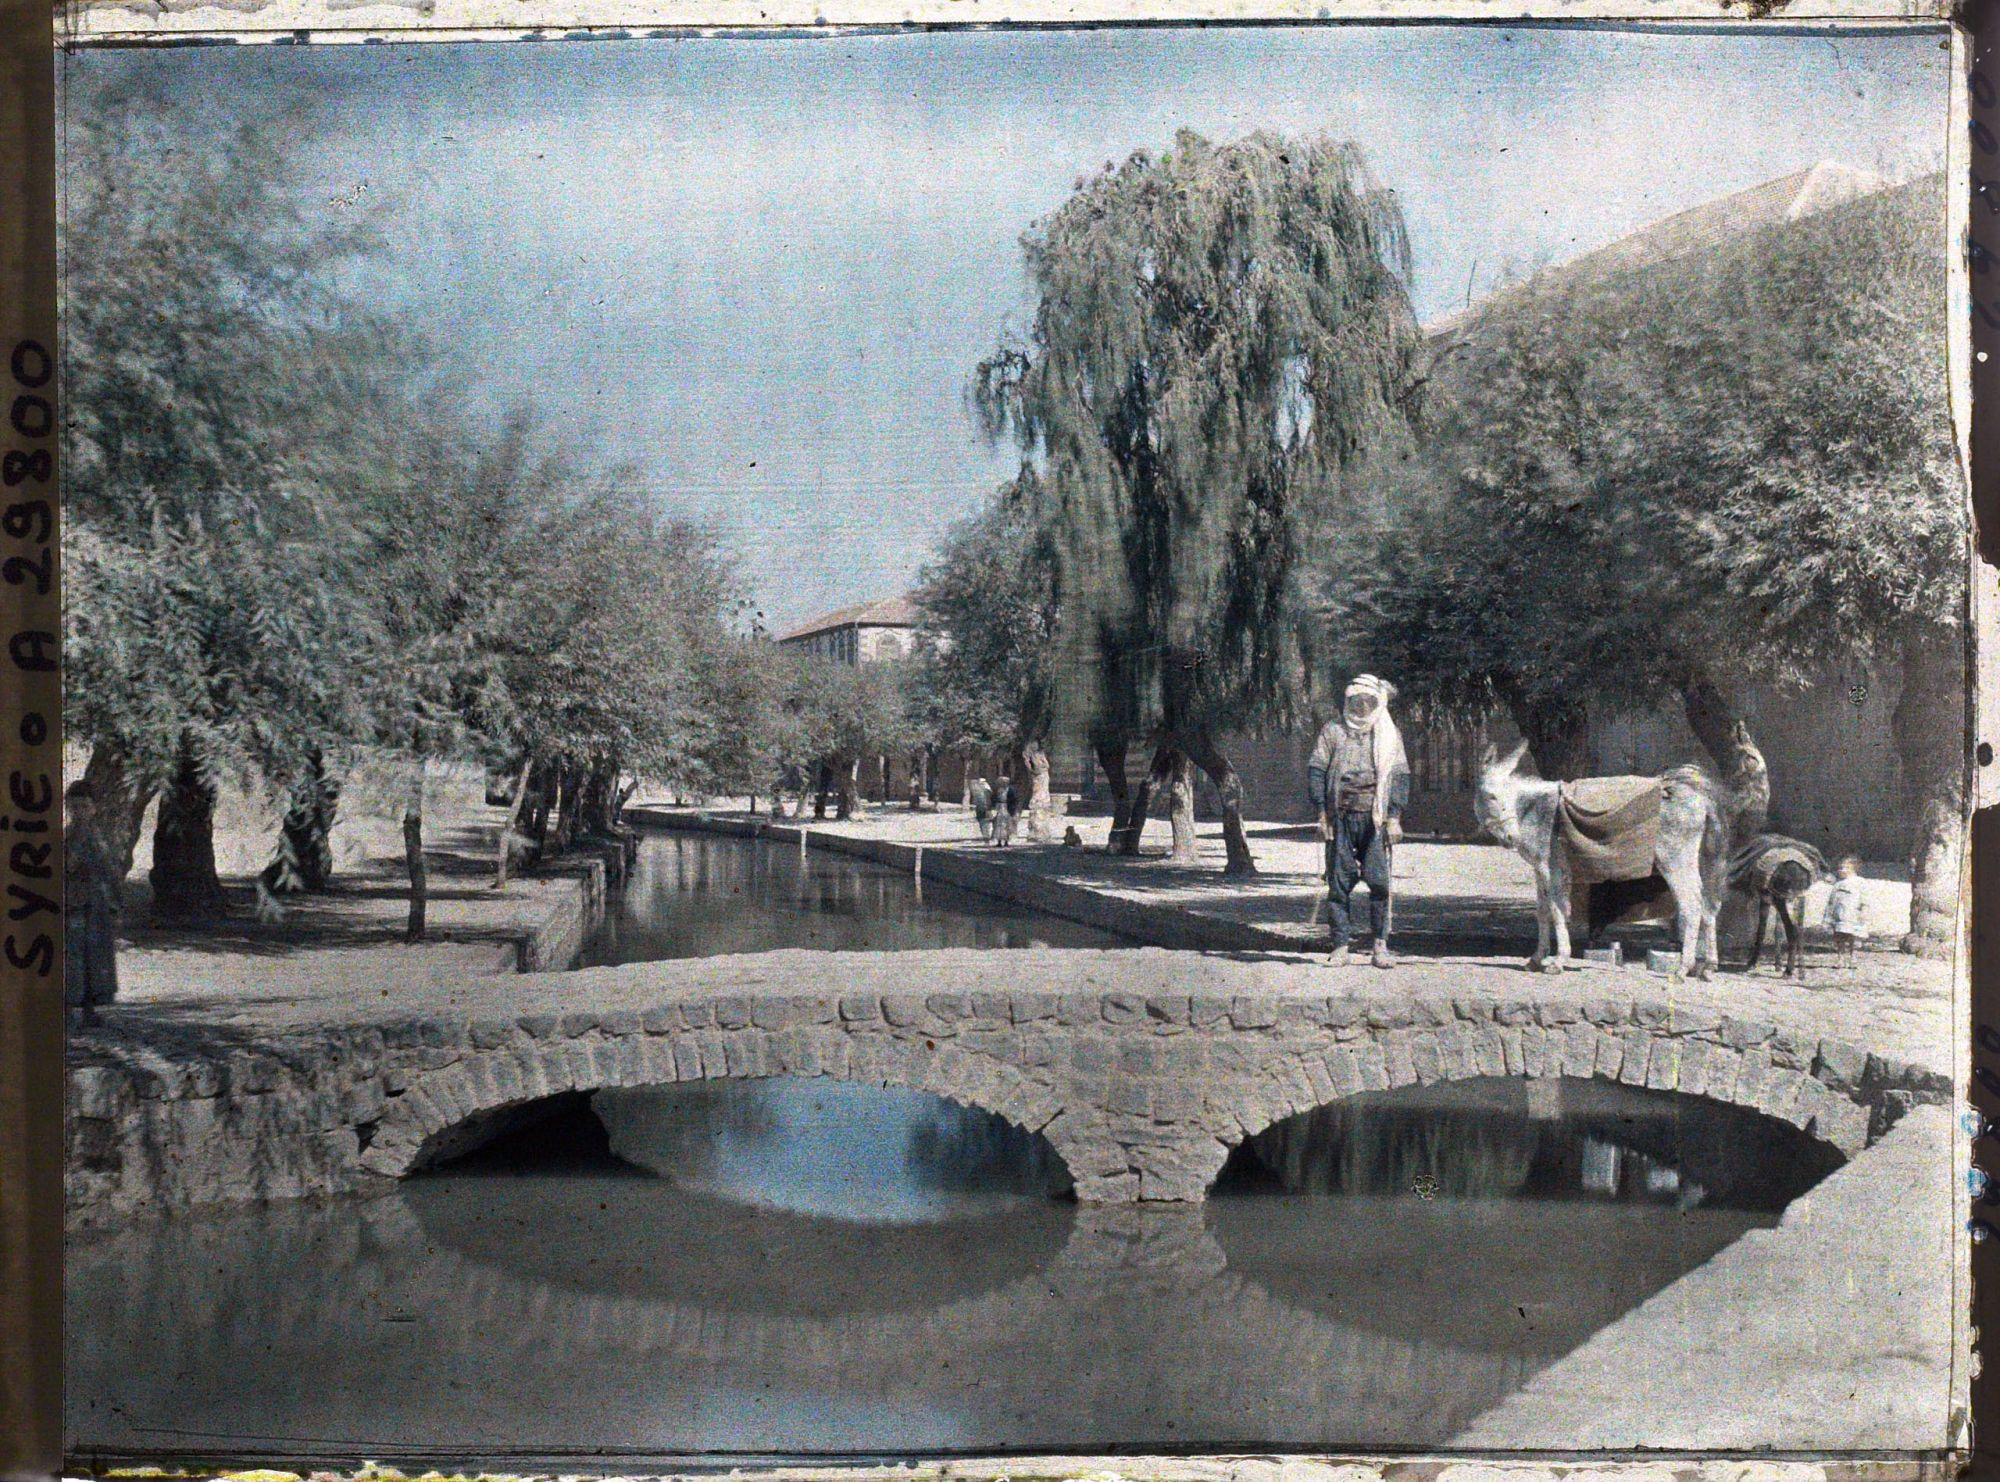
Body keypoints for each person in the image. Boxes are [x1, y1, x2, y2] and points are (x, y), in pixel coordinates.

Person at [1307, 674, 1410, 968]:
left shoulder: (1389, 735)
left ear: (1377, 703)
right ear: (1347, 702)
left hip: (1375, 820)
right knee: (1338, 885)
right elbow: (1316, 770)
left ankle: (1380, 946)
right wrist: (1321, 814)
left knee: (1379, 883)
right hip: (1340, 817)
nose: (1362, 708)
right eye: (1356, 702)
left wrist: (1394, 818)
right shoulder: (1333, 731)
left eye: (1368, 702)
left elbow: (1400, 777)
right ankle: (1340, 946)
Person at [64, 781, 122, 1026]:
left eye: (84, 806)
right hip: (72, 903)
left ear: (94, 808)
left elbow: (110, 871)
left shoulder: (100, 837)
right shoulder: (66, 837)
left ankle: (90, 1010)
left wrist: (115, 902)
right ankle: (67, 1010)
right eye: (74, 807)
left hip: (97, 905)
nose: (79, 812)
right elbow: (68, 866)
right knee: (73, 957)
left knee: (96, 957)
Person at [1822, 854, 1867, 969]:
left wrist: (1864, 911)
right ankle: (1840, 958)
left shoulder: (1859, 882)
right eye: (1840, 868)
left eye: (1844, 868)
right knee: (1839, 937)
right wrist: (1828, 916)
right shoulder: (1838, 884)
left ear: (1853, 869)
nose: (1841, 870)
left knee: (1852, 937)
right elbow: (1832, 901)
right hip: (1840, 915)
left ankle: (1852, 957)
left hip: (1853, 915)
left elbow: (1865, 898)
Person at [994, 775, 1019, 846]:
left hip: (1007, 808)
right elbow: (995, 798)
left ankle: (1006, 841)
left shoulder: (1010, 790)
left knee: (1007, 825)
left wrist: (1013, 810)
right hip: (1000, 808)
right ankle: (999, 841)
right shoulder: (999, 790)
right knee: (999, 825)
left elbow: (1014, 800)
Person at [970, 774, 995, 843]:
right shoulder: (982, 791)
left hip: (984, 809)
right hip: (983, 809)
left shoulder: (985, 791)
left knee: (984, 823)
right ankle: (987, 836)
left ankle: (987, 836)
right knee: (984, 823)